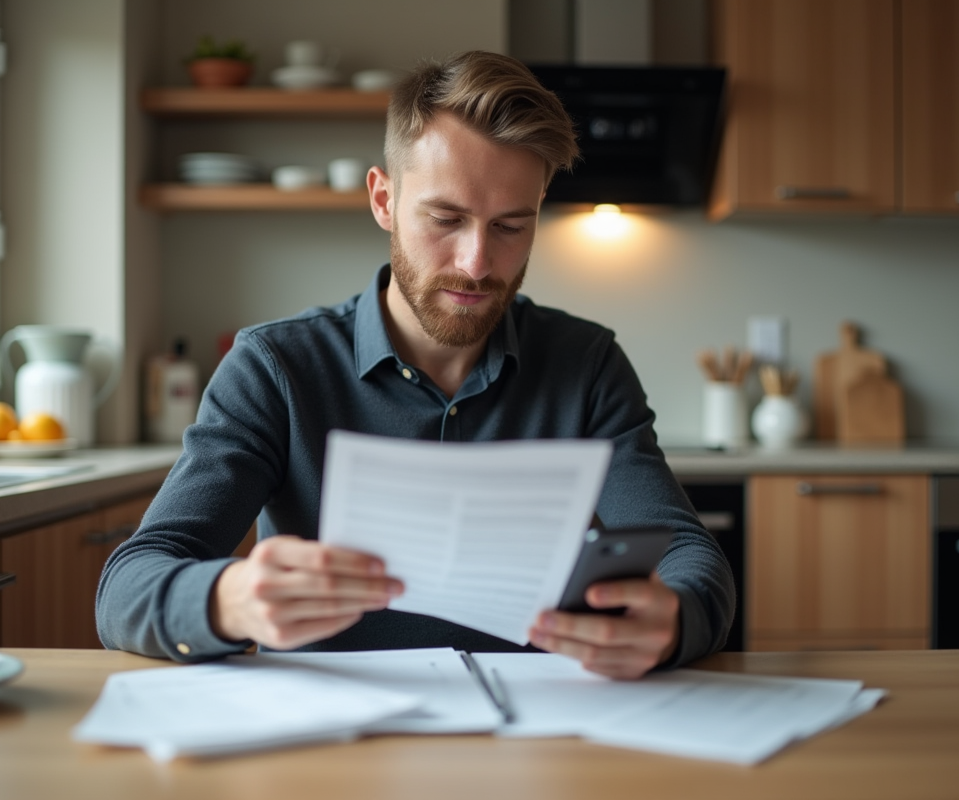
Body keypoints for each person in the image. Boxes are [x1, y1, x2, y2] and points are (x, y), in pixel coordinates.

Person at [97, 50, 735, 680]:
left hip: (535, 747)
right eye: (446, 219)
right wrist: (227, 599)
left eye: (512, 226)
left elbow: (689, 555)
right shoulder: (275, 368)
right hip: (335, 748)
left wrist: (673, 619)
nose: (477, 262)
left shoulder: (587, 365)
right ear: (383, 200)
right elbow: (129, 583)